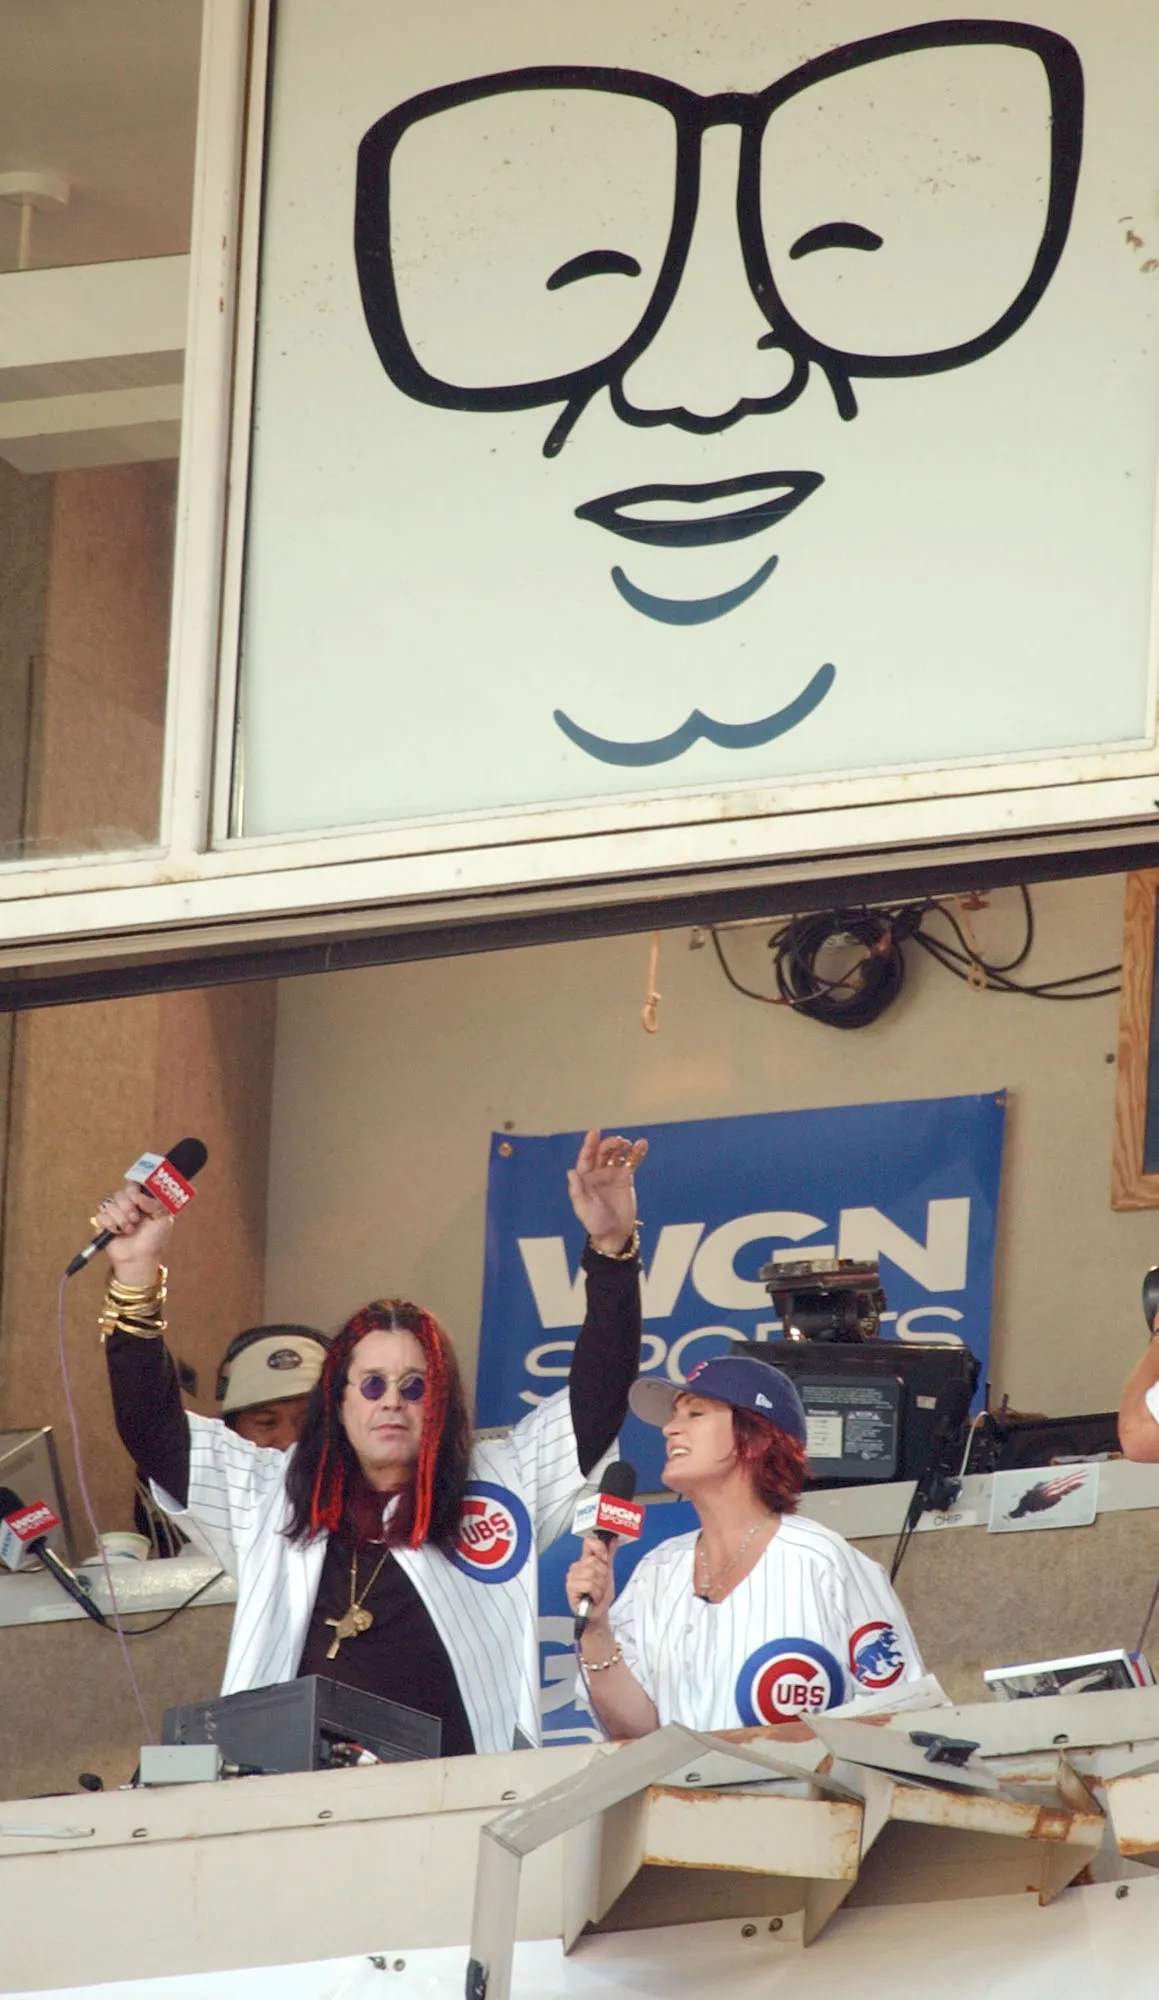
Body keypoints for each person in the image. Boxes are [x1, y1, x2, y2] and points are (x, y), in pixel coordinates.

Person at [94, 1129, 645, 1758]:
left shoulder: (502, 1479)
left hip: (455, 1812)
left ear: (440, 1401)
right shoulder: (271, 1492)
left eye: (414, 1386)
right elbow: (151, 1428)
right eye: (373, 1383)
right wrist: (135, 1274)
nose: (391, 1400)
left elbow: (598, 1395)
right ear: (339, 1399)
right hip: (293, 1813)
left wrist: (610, 1251)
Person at [565, 1353, 926, 1736]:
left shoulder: (821, 1559)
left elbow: (903, 1716)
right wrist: (597, 1629)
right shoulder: (657, 1570)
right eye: (674, 1416)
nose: (670, 1429)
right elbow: (637, 1734)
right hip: (679, 1794)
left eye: (696, 1414)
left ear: (754, 1438)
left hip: (807, 1794)